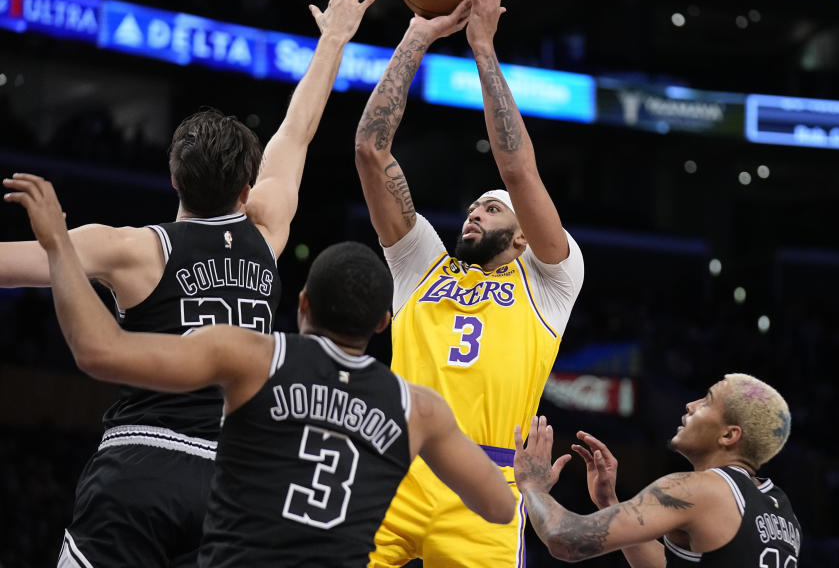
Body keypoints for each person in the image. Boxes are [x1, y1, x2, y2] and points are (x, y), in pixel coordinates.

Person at [0, 0, 382, 568]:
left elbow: (6, 265)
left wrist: (54, 241)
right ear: (246, 189)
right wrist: (334, 37)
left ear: (174, 176)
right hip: (235, 483)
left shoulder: (132, 248)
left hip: (141, 466)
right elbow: (298, 129)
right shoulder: (268, 231)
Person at [3, 173, 516, 567]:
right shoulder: (418, 410)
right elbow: (499, 507)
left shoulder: (257, 357)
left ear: (302, 304)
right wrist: (530, 483)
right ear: (385, 322)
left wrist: (58, 246)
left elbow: (99, 349)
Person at [354, 0, 585, 567]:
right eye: (473, 206)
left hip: (485, 487)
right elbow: (369, 151)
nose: (473, 213)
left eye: (490, 209)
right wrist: (417, 36)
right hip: (395, 472)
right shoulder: (421, 263)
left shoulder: (550, 281)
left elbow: (517, 170)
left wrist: (482, 47)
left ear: (524, 237)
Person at [514, 374, 801, 567]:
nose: (690, 405)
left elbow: (565, 540)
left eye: (708, 400)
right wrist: (610, 503)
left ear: (729, 436)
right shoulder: (783, 512)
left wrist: (532, 486)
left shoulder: (699, 489)